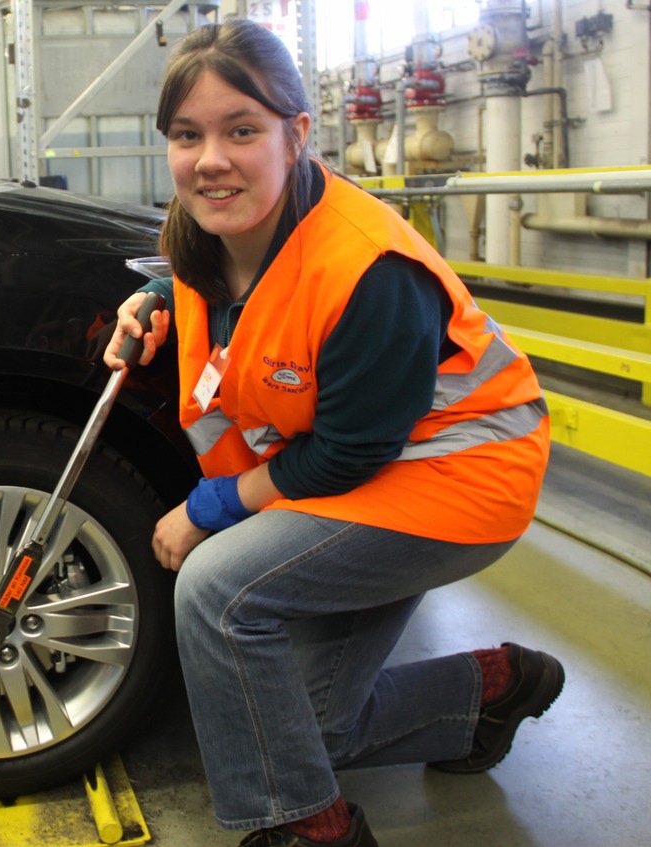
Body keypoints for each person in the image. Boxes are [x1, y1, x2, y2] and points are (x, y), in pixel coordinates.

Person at [103, 19, 564, 847]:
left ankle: (307, 830)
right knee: (291, 731)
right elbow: (233, 306)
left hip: (459, 475)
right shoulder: (211, 239)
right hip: (368, 472)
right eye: (187, 135)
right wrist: (156, 304)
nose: (211, 158)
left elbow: (349, 450)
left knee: (214, 588)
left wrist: (210, 508)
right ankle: (491, 689)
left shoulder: (368, 267)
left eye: (241, 129)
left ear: (297, 134)